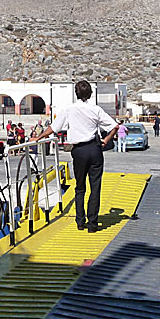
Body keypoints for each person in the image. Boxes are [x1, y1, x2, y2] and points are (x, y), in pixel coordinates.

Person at [31, 80, 118, 233]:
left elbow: (53, 128)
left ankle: (80, 221)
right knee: (95, 187)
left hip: (79, 151)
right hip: (95, 149)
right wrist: (106, 140)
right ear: (90, 94)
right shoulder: (96, 109)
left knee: (80, 187)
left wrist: (38, 138)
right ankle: (92, 224)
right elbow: (114, 126)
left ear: (76, 93)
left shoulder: (69, 109)